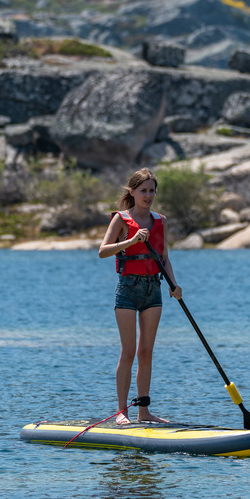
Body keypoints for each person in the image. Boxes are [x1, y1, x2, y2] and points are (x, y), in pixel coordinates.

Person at [98, 168, 182, 425]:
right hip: (128, 288)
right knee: (129, 351)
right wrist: (131, 241)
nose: (148, 195)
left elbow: (164, 257)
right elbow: (103, 251)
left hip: (153, 289)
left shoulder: (161, 220)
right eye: (143, 190)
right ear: (132, 192)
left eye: (152, 190)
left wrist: (174, 285)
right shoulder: (122, 219)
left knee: (147, 351)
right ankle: (122, 412)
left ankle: (143, 411)